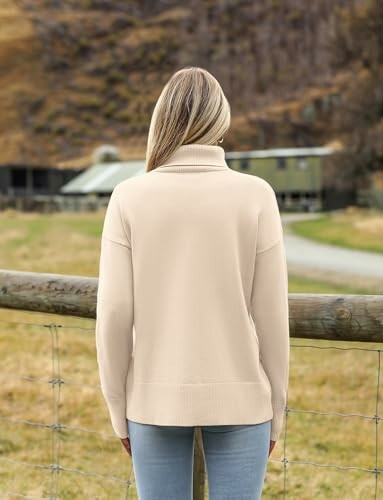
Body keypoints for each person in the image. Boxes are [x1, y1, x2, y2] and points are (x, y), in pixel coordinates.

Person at [96, 66, 290, 500]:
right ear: (220, 119)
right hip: (243, 400)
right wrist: (277, 411)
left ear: (161, 119)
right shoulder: (257, 195)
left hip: (152, 400)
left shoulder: (128, 196)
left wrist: (117, 407)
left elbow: (112, 314)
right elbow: (272, 317)